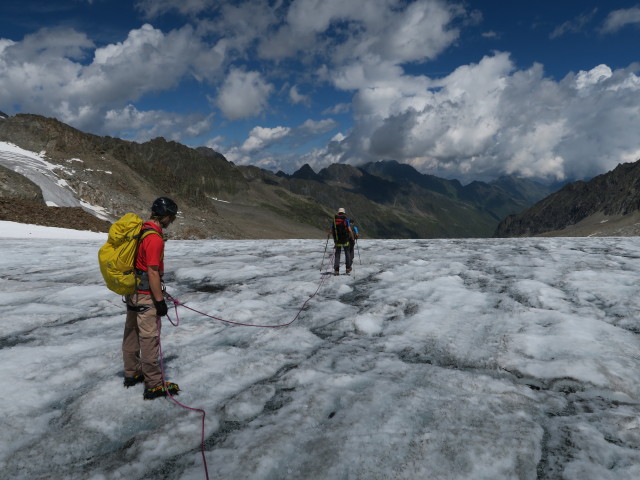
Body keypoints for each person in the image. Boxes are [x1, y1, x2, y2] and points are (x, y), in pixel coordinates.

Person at [122, 197, 180, 400]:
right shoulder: (154, 238)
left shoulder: (141, 231)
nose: (171, 220)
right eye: (171, 217)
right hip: (146, 296)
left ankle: (131, 373)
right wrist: (159, 301)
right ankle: (153, 384)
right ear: (165, 216)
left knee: (131, 333)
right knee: (149, 338)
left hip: (133, 293)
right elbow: (153, 272)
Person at [330, 207, 353, 275]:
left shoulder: (334, 220)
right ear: (344, 213)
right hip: (345, 240)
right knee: (347, 253)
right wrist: (352, 237)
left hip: (337, 240)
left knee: (337, 254)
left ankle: (336, 270)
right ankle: (347, 268)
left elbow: (331, 230)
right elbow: (349, 229)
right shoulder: (346, 219)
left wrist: (331, 237)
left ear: (338, 212)